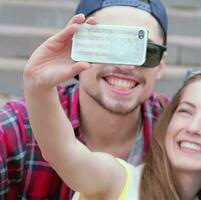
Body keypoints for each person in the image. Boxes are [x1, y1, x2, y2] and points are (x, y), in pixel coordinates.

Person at [23, 27, 201, 200]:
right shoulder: (119, 180)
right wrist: (39, 85)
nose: (194, 128)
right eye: (185, 112)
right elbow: (66, 152)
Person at [0, 0, 169, 199]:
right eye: (108, 43)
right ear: (76, 46)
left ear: (161, 65)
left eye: (145, 51)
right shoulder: (15, 129)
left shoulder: (178, 130)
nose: (125, 65)